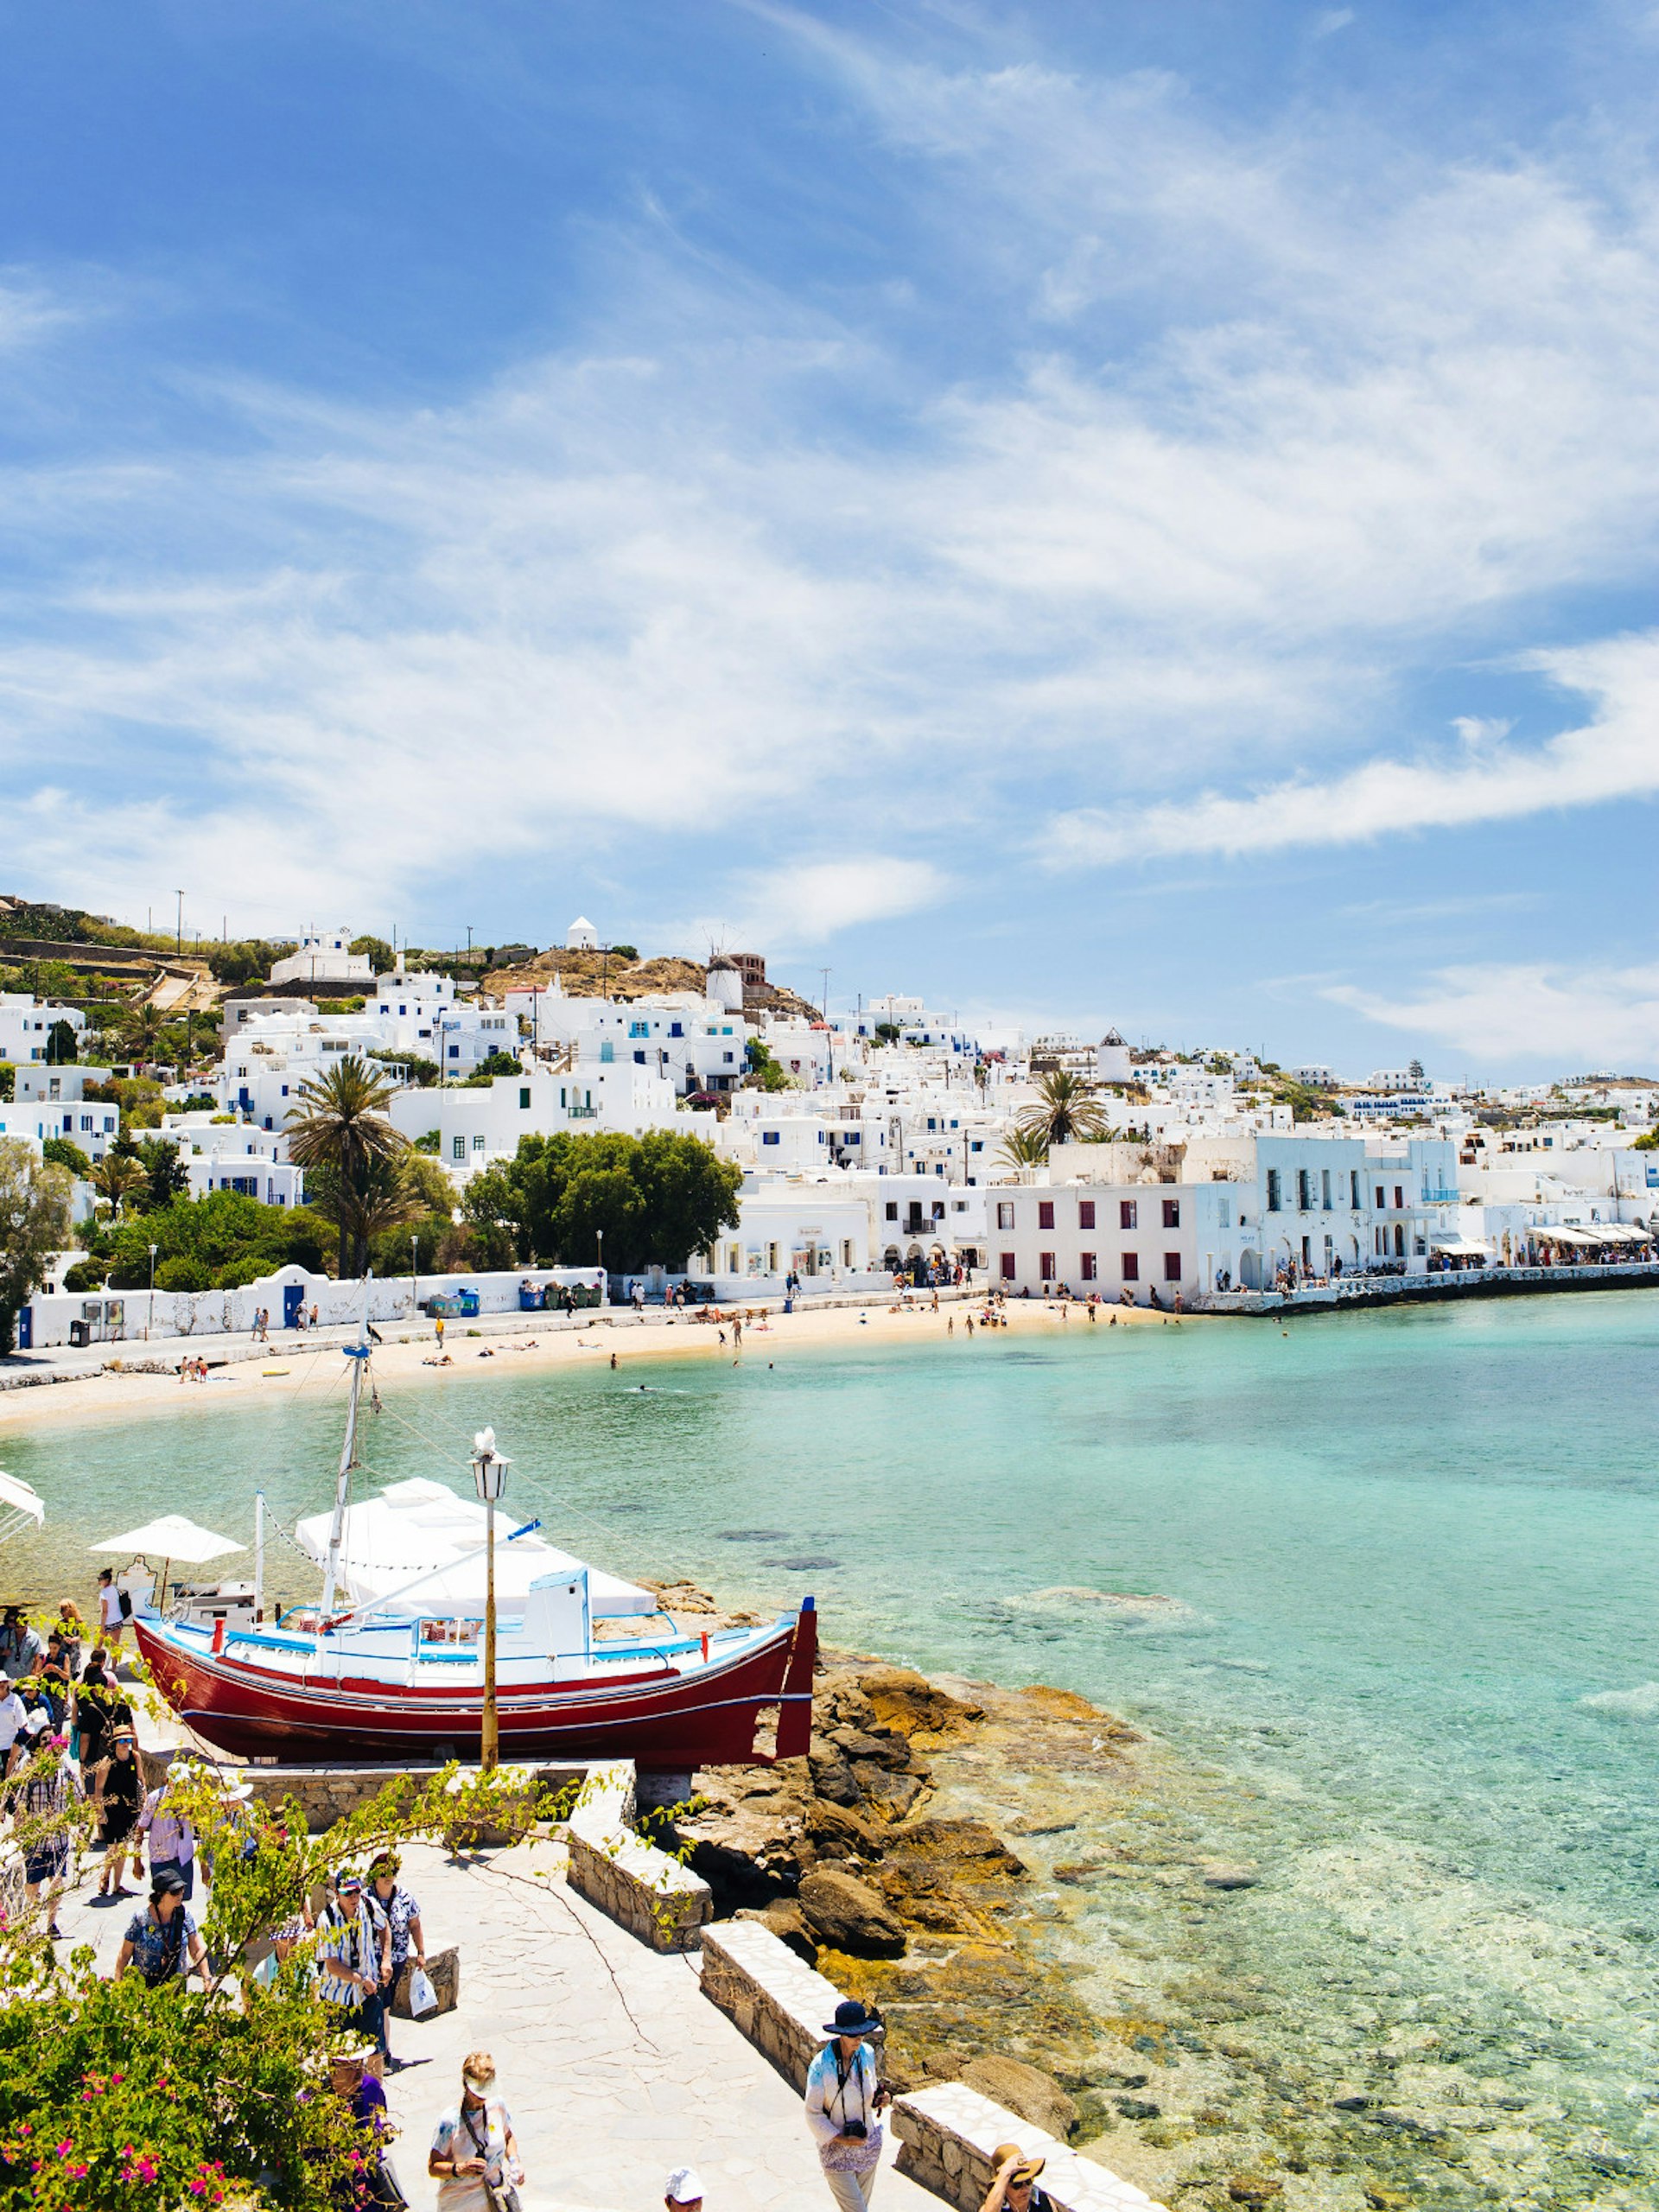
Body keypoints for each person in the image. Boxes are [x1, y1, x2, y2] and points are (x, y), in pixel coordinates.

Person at [804, 1998, 889, 2211]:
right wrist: (843, 2139)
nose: (858, 2039)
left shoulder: (867, 2054)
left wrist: (881, 2100)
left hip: (867, 2146)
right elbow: (812, 2113)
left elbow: (868, 2094)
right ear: (841, 2034)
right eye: (853, 2035)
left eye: (862, 2034)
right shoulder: (821, 2066)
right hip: (837, 2151)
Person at [429, 2050, 523, 2212]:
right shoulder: (450, 2121)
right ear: (466, 2084)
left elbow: (507, 2137)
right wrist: (460, 2169)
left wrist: (514, 2161)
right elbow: (433, 2166)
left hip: (494, 2199)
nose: (482, 2097)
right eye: (478, 2092)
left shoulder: (497, 2105)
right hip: (459, 2204)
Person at [10, 1731, 81, 1936]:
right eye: (45, 1740)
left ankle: (51, 1923)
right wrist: (19, 1831)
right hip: (37, 1839)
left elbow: (77, 1796)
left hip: (58, 1837)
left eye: (52, 1739)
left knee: (57, 1880)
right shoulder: (32, 1773)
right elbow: (21, 1804)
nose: (49, 1743)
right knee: (33, 1883)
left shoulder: (64, 1770)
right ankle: (30, 1922)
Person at [316, 1871, 390, 2056]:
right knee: (341, 2057)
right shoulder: (327, 1920)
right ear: (336, 1893)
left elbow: (384, 1926)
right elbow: (332, 1964)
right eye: (348, 1893)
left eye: (356, 1891)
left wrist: (386, 1959)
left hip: (367, 1995)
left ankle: (375, 2086)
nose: (354, 1897)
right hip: (338, 2000)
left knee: (375, 2052)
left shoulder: (368, 1906)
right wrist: (362, 1980)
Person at [327, 2043, 403, 2209]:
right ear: (332, 2069)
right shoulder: (314, 2102)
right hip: (333, 2192)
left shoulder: (370, 2086)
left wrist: (385, 2127)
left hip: (369, 2191)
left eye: (361, 2065)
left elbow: (381, 2115)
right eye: (350, 2068)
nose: (359, 2073)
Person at [366, 1853, 428, 2054]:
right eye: (384, 1872)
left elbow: (415, 1925)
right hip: (371, 1960)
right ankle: (382, 2050)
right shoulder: (365, 1899)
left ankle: (381, 2048)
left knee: (384, 2004)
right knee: (380, 2005)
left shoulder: (405, 1897)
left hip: (397, 1960)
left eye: (393, 1871)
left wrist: (420, 1952)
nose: (389, 1876)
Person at [117, 1869, 208, 1986]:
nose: (180, 1895)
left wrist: (207, 1978)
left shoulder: (184, 1916)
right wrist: (118, 1984)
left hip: (175, 1986)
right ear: (160, 1894)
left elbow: (196, 1950)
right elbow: (125, 1954)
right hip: (143, 1987)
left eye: (181, 1890)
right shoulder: (141, 1918)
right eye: (175, 1892)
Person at [92, 1724, 145, 1897]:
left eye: (128, 1741)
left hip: (129, 1808)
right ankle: (106, 1874)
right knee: (113, 1847)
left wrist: (143, 1802)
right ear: (114, 1743)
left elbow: (141, 1780)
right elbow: (98, 1789)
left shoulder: (134, 1757)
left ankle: (116, 1884)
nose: (125, 1744)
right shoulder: (107, 1762)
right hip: (111, 1808)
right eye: (122, 1741)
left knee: (122, 1847)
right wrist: (100, 1812)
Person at [138, 1758, 200, 1897]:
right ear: (167, 1780)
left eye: (184, 1783)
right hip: (161, 1858)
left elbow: (200, 1826)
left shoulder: (193, 1798)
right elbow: (140, 1828)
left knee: (181, 1900)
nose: (181, 1787)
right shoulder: (155, 1798)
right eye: (176, 1783)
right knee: (163, 1899)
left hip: (183, 1858)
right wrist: (137, 1860)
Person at [979, 2144, 1052, 2212]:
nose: (1024, 2188)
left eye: (1028, 2181)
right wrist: (1005, 2173)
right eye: (1017, 2185)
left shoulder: (1043, 2202)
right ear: (1004, 2186)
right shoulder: (997, 2207)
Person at [98, 1568, 129, 1653]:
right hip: (118, 1619)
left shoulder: (103, 1593)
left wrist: (102, 1626)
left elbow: (105, 1611)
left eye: (100, 1579)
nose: (99, 1581)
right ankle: (114, 1666)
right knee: (115, 1647)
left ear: (107, 1580)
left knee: (99, 1644)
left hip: (108, 1622)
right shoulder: (115, 1588)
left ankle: (94, 1663)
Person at [54, 1601, 84, 1676]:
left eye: (63, 1610)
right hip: (62, 1652)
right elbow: (55, 1636)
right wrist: (63, 1638)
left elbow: (83, 1636)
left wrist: (74, 1639)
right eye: (61, 1610)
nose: (61, 1612)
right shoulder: (60, 1623)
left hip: (75, 1653)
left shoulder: (79, 1622)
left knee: (75, 1673)